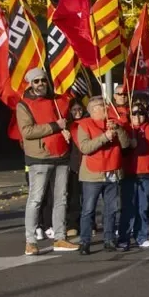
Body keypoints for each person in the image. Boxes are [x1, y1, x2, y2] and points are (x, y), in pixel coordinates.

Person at [16, 68, 79, 255]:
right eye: (36, 81)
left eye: (43, 80)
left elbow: (67, 122)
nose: (41, 84)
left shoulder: (58, 101)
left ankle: (60, 237)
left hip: (61, 156)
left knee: (61, 198)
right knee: (36, 199)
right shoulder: (24, 104)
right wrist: (54, 127)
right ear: (30, 84)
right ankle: (30, 241)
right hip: (39, 157)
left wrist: (67, 128)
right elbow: (27, 131)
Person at [76, 96, 135, 254]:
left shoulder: (114, 122)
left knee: (111, 209)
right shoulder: (84, 125)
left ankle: (109, 240)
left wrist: (118, 129)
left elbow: (126, 144)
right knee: (89, 210)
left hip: (113, 172)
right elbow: (85, 147)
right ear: (94, 109)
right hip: (93, 174)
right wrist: (104, 137)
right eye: (104, 107)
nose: (107, 109)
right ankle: (85, 241)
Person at [119, 97, 149, 250]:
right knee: (128, 207)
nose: (137, 117)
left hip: (146, 173)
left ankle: (142, 236)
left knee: (143, 207)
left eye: (140, 114)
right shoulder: (125, 128)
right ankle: (123, 238)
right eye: (134, 113)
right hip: (129, 173)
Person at [64, 100, 87, 239]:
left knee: (87, 198)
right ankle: (72, 224)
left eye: (79, 109)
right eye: (74, 110)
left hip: (86, 164)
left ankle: (88, 224)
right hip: (72, 165)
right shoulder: (67, 126)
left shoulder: (88, 123)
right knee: (73, 197)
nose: (77, 112)